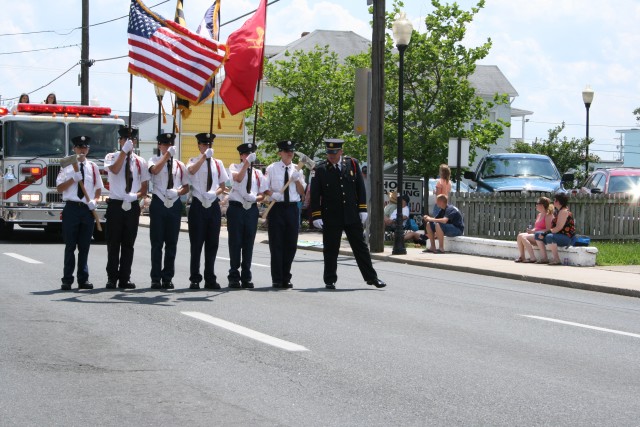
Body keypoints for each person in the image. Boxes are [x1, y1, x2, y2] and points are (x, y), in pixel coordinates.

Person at [310, 139, 386, 290]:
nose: (331, 156)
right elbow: (315, 194)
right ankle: (330, 279)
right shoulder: (321, 169)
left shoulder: (352, 164)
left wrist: (362, 209)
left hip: (351, 215)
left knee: (361, 248)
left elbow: (360, 188)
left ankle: (372, 277)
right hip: (331, 215)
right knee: (331, 249)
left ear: (341, 152)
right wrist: (316, 215)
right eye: (329, 153)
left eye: (334, 153)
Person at [104, 126, 150, 289]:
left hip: (131, 205)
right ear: (120, 141)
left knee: (128, 243)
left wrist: (135, 196)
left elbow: (144, 189)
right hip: (116, 204)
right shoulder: (112, 156)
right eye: (125, 139)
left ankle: (125, 277)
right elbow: (115, 170)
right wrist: (124, 152)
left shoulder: (140, 161)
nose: (128, 142)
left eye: (131, 140)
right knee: (113, 243)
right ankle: (111, 277)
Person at [56, 135, 103, 290]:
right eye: (79, 147)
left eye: (85, 148)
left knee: (84, 247)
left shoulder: (93, 167)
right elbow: (59, 188)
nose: (82, 150)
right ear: (74, 149)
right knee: (70, 246)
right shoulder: (66, 166)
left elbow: (98, 189)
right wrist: (73, 179)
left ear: (88, 149)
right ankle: (67, 280)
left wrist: (94, 202)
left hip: (86, 210)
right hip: (71, 208)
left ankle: (83, 279)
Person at [187, 133, 229, 290]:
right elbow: (191, 171)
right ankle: (195, 278)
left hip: (213, 204)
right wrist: (204, 157)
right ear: (199, 145)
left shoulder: (218, 163)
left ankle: (210, 278)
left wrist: (215, 193)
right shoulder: (193, 160)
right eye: (204, 145)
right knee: (196, 243)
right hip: (198, 203)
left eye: (209, 145)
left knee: (212, 244)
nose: (207, 147)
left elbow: (223, 185)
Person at [148, 133, 189, 289]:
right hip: (158, 202)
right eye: (164, 144)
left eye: (170, 144)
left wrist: (178, 192)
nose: (167, 147)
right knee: (157, 243)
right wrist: (166, 156)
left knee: (172, 243)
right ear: (159, 146)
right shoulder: (153, 160)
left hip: (174, 203)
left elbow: (186, 187)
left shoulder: (179, 165)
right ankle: (155, 278)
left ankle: (168, 277)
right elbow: (155, 171)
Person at [264, 140, 306, 289]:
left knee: (290, 245)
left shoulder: (298, 169)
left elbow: (302, 193)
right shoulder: (272, 168)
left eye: (292, 151)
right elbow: (264, 188)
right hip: (277, 207)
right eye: (287, 151)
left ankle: (286, 277)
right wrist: (272, 194)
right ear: (280, 153)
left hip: (292, 208)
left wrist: (297, 181)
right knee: (276, 244)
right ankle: (277, 278)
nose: (290, 153)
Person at [226, 142, 267, 289]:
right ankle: (233, 276)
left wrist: (255, 199)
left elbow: (263, 194)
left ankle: (246, 276)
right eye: (246, 155)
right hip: (236, 209)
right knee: (235, 243)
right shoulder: (234, 167)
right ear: (241, 156)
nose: (248, 157)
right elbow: (237, 179)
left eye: (251, 155)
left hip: (251, 209)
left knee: (248, 244)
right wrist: (246, 165)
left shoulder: (258, 173)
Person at [534, 192, 576, 265]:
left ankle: (557, 259)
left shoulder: (563, 212)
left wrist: (545, 233)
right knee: (537, 234)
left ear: (558, 201)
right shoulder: (559, 211)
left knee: (550, 237)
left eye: (555, 200)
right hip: (559, 235)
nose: (554, 201)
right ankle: (544, 258)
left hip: (567, 238)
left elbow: (558, 228)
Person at [514, 196, 553, 263]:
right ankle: (522, 257)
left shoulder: (548, 215)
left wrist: (534, 231)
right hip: (536, 233)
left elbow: (548, 229)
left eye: (537, 203)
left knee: (523, 237)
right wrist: (531, 230)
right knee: (519, 235)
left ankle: (532, 258)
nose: (536, 205)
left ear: (542, 205)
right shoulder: (539, 215)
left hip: (542, 236)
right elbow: (537, 227)